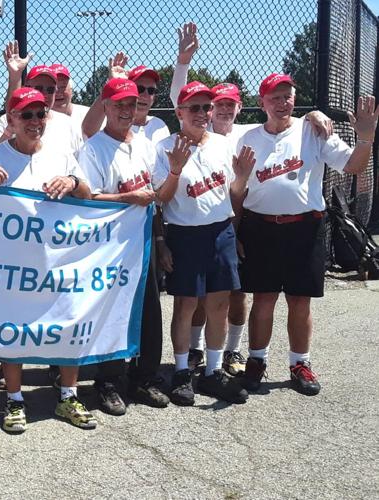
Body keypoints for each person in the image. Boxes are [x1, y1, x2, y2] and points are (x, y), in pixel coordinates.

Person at [166, 22, 334, 375]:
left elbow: (284, 129)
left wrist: (315, 114)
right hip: (212, 225)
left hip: (238, 225)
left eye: (229, 104)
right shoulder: (201, 131)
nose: (222, 111)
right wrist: (183, 62)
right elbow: (181, 99)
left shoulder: (245, 134)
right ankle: (195, 350)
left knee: (234, 294)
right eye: (218, 105)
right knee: (198, 296)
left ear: (241, 108)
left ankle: (233, 351)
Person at [235, 74, 378, 396]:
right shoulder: (247, 136)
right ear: (261, 104)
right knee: (263, 298)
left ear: (295, 100)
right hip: (260, 226)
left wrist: (366, 138)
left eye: (287, 96)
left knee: (300, 300)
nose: (282, 103)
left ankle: (300, 363)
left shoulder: (313, 130)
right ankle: (256, 360)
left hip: (306, 226)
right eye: (274, 97)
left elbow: (353, 166)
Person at [0, 87, 94, 433]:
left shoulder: (61, 153)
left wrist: (72, 181)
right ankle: (14, 399)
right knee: (14, 327)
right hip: (12, 261)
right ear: (10, 118)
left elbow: (88, 195)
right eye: (26, 115)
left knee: (68, 322)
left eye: (40, 114)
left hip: (59, 257)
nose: (34, 121)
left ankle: (68, 395)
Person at [152, 81, 253, 406]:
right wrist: (175, 171)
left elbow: (234, 195)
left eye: (206, 107)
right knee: (186, 305)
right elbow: (160, 199)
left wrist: (241, 178)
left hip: (220, 231)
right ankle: (182, 371)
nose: (202, 113)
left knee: (219, 304)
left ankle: (212, 371)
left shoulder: (222, 144)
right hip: (185, 233)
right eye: (193, 107)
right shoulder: (166, 146)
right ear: (179, 112)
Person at [78, 78, 170, 415]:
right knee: (113, 313)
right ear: (104, 106)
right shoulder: (94, 148)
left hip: (143, 240)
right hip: (111, 247)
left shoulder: (146, 144)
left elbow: (156, 198)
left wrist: (160, 240)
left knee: (150, 311)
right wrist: (126, 198)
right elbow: (89, 199)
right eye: (118, 104)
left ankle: (145, 377)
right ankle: (109, 381)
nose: (126, 110)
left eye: (131, 103)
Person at [0, 42, 83, 156]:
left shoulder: (68, 124)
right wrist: (15, 75)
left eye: (50, 90)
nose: (45, 94)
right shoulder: (8, 121)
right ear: (27, 88)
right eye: (39, 88)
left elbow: (78, 167)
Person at [81, 54, 170, 145]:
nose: (145, 95)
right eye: (140, 89)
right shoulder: (112, 123)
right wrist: (112, 84)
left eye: (151, 90)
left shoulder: (160, 126)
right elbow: (88, 132)